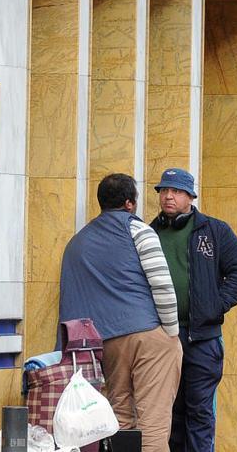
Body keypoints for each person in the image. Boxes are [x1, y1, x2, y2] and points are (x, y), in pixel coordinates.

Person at [59, 173, 182, 452]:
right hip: (149, 336)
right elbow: (162, 284)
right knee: (153, 418)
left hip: (109, 341)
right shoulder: (138, 231)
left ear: (101, 203)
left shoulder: (79, 242)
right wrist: (171, 333)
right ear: (130, 203)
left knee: (119, 415)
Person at [149, 168, 237, 452]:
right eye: (164, 191)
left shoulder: (214, 230)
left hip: (202, 339)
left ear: (190, 197)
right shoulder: (149, 233)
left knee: (200, 411)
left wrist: (214, 306)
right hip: (163, 338)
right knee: (170, 412)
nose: (169, 196)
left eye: (177, 191)